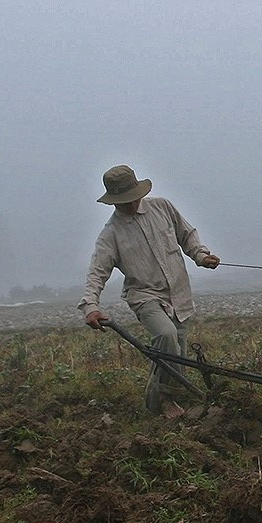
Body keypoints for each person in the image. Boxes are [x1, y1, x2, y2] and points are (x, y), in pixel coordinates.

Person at [79, 164, 220, 417]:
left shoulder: (162, 207)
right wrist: (91, 306)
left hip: (178, 294)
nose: (130, 205)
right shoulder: (111, 234)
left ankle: (154, 405)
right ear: (113, 202)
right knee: (166, 336)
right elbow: (97, 272)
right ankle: (167, 402)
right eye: (123, 202)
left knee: (177, 354)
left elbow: (187, 235)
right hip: (145, 297)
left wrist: (201, 255)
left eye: (133, 199)